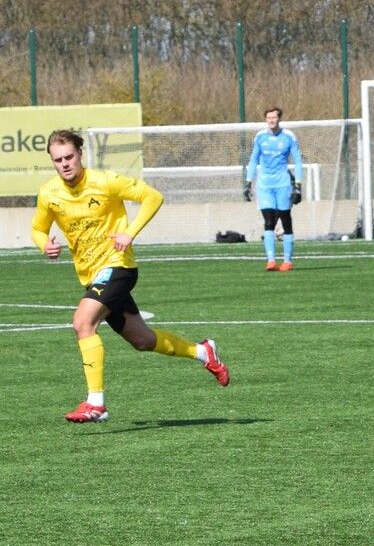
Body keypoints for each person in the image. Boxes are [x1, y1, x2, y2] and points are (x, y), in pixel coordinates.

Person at [30, 129, 230, 423]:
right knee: (143, 340)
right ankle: (204, 352)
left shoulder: (105, 181)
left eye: (69, 157)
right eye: (58, 160)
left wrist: (130, 232)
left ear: (80, 154)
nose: (65, 164)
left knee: (83, 322)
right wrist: (44, 244)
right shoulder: (49, 194)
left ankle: (95, 403)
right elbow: (38, 228)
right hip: (92, 276)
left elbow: (152, 196)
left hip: (118, 266)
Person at [244, 106, 303, 272]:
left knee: (285, 219)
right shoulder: (260, 137)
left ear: (279, 119)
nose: (271, 120)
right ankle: (271, 261)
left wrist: (298, 185)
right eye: (268, 118)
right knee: (269, 221)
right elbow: (253, 160)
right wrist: (248, 182)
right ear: (266, 119)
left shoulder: (288, 136)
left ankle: (287, 261)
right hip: (264, 185)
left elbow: (298, 161)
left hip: (283, 184)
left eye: (274, 117)